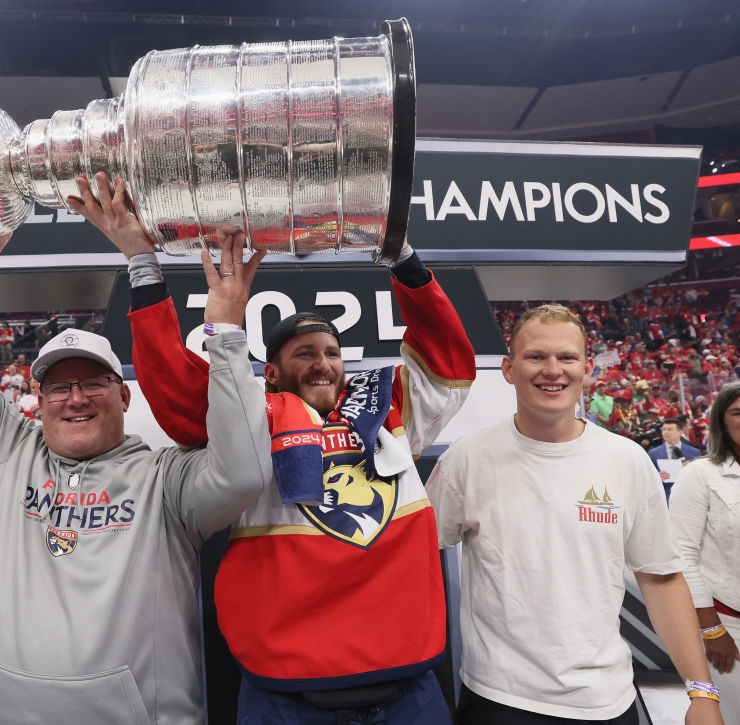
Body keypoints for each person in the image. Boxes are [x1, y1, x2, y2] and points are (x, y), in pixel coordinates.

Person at [71, 172, 476, 723]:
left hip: (409, 689)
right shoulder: (254, 415)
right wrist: (144, 266)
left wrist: (401, 252)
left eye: (331, 351)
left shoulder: (389, 408)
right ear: (275, 372)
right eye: (304, 352)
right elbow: (176, 390)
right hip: (287, 696)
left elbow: (448, 361)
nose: (322, 362)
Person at [0, 227, 272, 725]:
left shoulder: (164, 479)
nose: (75, 398)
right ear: (38, 403)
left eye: (92, 382)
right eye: (59, 386)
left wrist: (227, 336)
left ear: (124, 396)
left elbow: (245, 472)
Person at [425, 304, 723, 724]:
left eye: (566, 358)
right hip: (499, 699)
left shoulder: (627, 460)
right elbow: (414, 554)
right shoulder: (467, 460)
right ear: (509, 369)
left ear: (587, 369)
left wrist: (702, 690)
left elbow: (661, 577)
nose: (553, 370)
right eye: (536, 357)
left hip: (607, 700)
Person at [670, 381, 740, 725]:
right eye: (737, 413)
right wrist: (712, 630)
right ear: (722, 423)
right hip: (736, 625)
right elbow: (681, 554)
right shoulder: (700, 475)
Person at [648, 415, 702, 500]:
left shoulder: (694, 452)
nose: (666, 432)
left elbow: (701, 477)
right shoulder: (653, 453)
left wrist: (692, 470)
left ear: (680, 432)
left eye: (670, 429)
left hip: (689, 497)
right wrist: (657, 478)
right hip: (664, 497)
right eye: (664, 429)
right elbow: (647, 478)